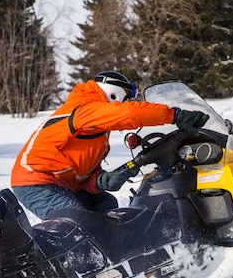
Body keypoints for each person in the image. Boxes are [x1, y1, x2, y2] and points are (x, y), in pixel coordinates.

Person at [11, 71, 209, 219]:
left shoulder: (97, 127)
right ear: (114, 93)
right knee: (76, 222)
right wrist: (174, 115)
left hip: (60, 183)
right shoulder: (85, 108)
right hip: (35, 182)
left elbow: (82, 171)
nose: (125, 102)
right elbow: (129, 114)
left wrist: (102, 180)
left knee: (106, 204)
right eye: (125, 97)